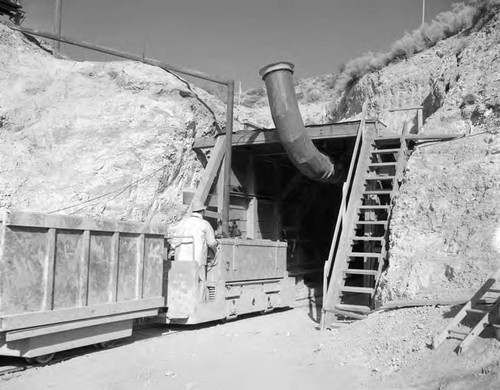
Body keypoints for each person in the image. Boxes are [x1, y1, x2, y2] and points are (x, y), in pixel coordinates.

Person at [172, 200, 218, 299]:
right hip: (197, 260)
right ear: (202, 211)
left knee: (182, 284)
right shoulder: (204, 224)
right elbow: (211, 242)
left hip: (180, 260)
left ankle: (182, 306)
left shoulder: (181, 223)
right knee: (200, 283)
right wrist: (215, 251)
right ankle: (198, 307)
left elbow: (174, 241)